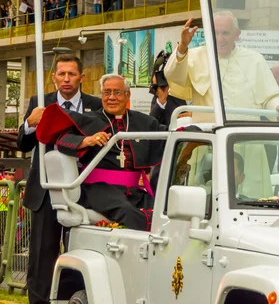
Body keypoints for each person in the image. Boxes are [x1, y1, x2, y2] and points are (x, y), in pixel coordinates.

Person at [165, 13, 279, 198]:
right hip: (209, 142)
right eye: (215, 33)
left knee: (252, 199)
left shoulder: (255, 60)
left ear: (237, 34)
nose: (220, 38)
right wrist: (183, 47)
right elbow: (173, 76)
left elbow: (270, 97)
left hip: (247, 141)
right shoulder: (194, 55)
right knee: (203, 199)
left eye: (225, 33)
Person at [17, 54, 102, 304]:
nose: (66, 79)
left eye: (72, 74)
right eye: (61, 74)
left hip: (83, 191)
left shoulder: (95, 105)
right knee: (42, 259)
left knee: (80, 255)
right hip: (46, 193)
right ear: (54, 77)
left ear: (82, 77)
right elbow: (23, 143)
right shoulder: (39, 102)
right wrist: (30, 124)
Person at [36, 74, 167, 231]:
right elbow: (61, 140)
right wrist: (87, 140)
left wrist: (196, 129)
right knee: (126, 212)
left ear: (128, 95)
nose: (111, 97)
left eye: (117, 92)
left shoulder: (143, 121)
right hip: (98, 190)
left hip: (134, 191)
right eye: (107, 92)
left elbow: (169, 134)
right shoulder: (89, 119)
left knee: (163, 211)